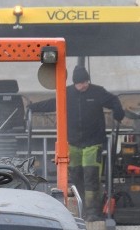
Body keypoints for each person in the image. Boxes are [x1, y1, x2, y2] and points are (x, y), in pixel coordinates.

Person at [30, 66, 125, 220]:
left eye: (86, 81)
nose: (84, 85)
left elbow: (113, 100)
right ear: (74, 83)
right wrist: (32, 108)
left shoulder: (98, 92)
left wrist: (119, 113)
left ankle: (93, 212)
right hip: (73, 143)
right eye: (81, 82)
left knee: (91, 176)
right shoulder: (66, 93)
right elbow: (51, 104)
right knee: (76, 176)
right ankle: (83, 210)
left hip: (93, 143)